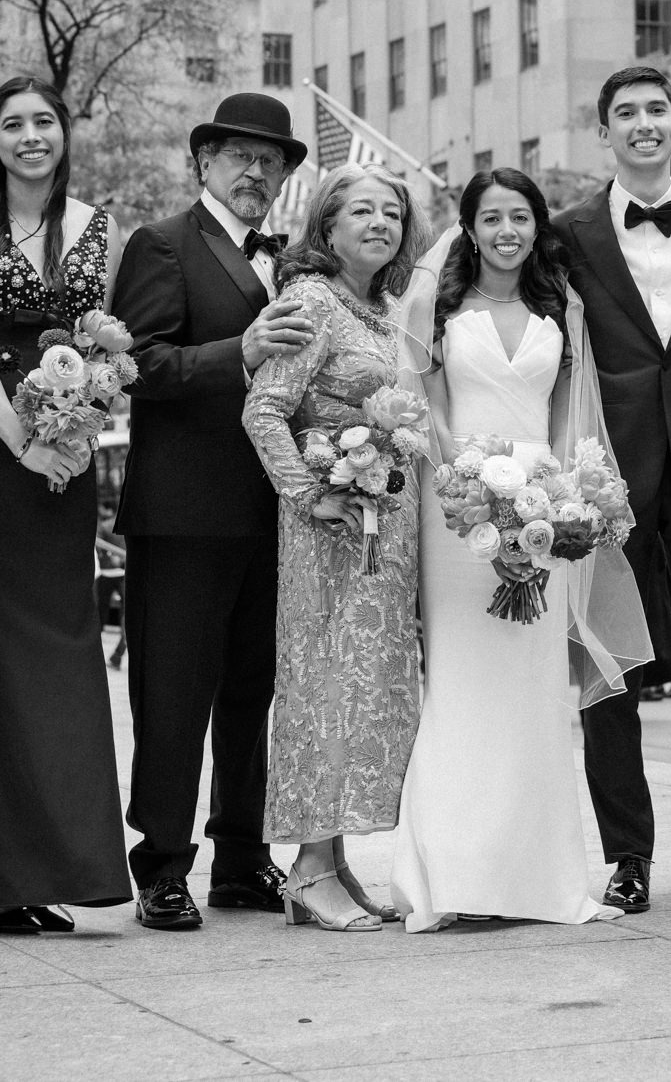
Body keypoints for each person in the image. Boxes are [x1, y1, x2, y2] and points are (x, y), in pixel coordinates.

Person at [390, 168, 651, 930]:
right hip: (458, 513)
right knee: (463, 688)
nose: (508, 230)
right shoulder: (439, 307)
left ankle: (534, 881)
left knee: (535, 698)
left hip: (543, 516)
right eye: (493, 217)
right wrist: (469, 487)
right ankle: (453, 874)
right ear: (469, 228)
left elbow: (574, 412)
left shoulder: (558, 305)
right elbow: (424, 406)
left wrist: (571, 498)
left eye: (521, 217)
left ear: (538, 227)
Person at [0, 76, 132, 934]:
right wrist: (20, 439)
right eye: (12, 124)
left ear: (64, 132)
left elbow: (100, 344)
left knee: (61, 649)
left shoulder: (102, 228)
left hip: (65, 459)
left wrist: (77, 431)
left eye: (43, 120)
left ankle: (54, 863)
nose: (30, 135)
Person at [109, 94, 317, 929]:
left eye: (273, 161)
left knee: (250, 693)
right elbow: (137, 363)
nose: (258, 171)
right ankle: (162, 864)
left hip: (275, 513)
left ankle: (241, 858)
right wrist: (242, 351)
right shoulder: (160, 243)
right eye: (241, 155)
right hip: (185, 514)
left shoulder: (295, 264)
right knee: (174, 694)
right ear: (204, 163)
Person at [549, 66, 671, 916]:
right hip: (609, 478)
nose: (642, 124)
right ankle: (627, 854)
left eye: (655, 110)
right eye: (625, 113)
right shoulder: (567, 236)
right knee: (610, 671)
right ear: (606, 134)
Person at [240, 168, 426, 931]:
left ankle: (335, 861)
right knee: (324, 686)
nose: (380, 222)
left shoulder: (378, 309)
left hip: (384, 533)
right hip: (327, 531)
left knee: (367, 689)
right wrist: (306, 492)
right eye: (362, 211)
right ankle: (308, 868)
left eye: (392, 212)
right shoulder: (310, 300)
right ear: (327, 226)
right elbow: (264, 407)